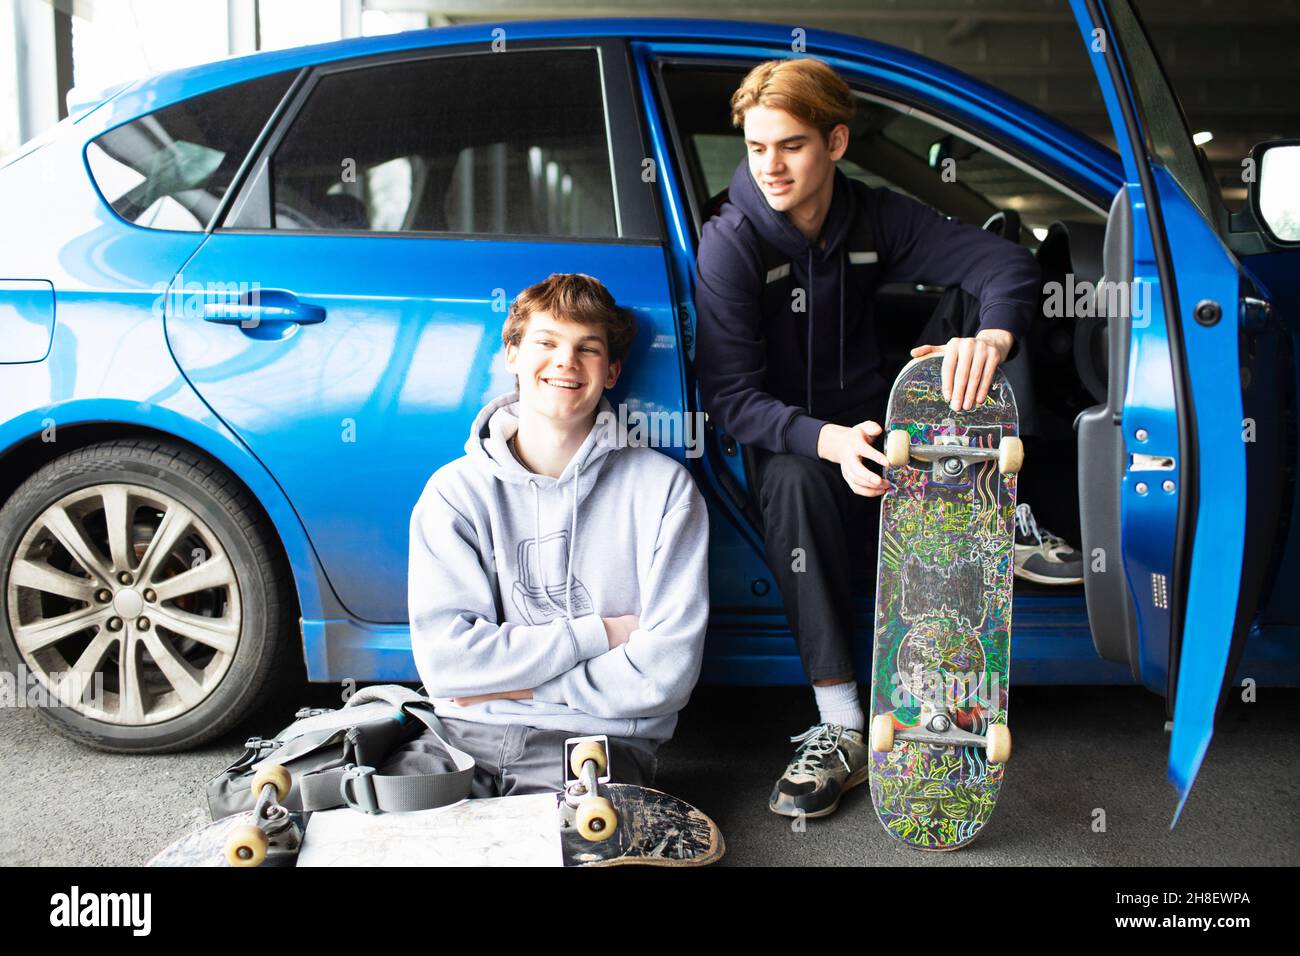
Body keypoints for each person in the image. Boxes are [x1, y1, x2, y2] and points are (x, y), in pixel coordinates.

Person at [694, 58, 1078, 821]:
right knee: (797, 480)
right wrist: (825, 440)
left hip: (884, 427)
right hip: (791, 441)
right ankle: (841, 727)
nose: (769, 166)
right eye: (756, 146)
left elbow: (1004, 262)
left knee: (964, 363)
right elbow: (732, 399)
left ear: (836, 142)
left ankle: (1011, 524)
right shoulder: (731, 243)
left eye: (791, 146)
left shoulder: (874, 216)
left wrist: (992, 338)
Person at [386, 273, 709, 795]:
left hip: (598, 741)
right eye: (547, 342)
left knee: (576, 848)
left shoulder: (665, 490)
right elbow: (447, 664)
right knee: (381, 837)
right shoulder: (453, 492)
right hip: (459, 732)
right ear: (512, 354)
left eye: (588, 348)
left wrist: (512, 683)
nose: (566, 361)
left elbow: (663, 674)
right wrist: (601, 635)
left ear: (612, 371)